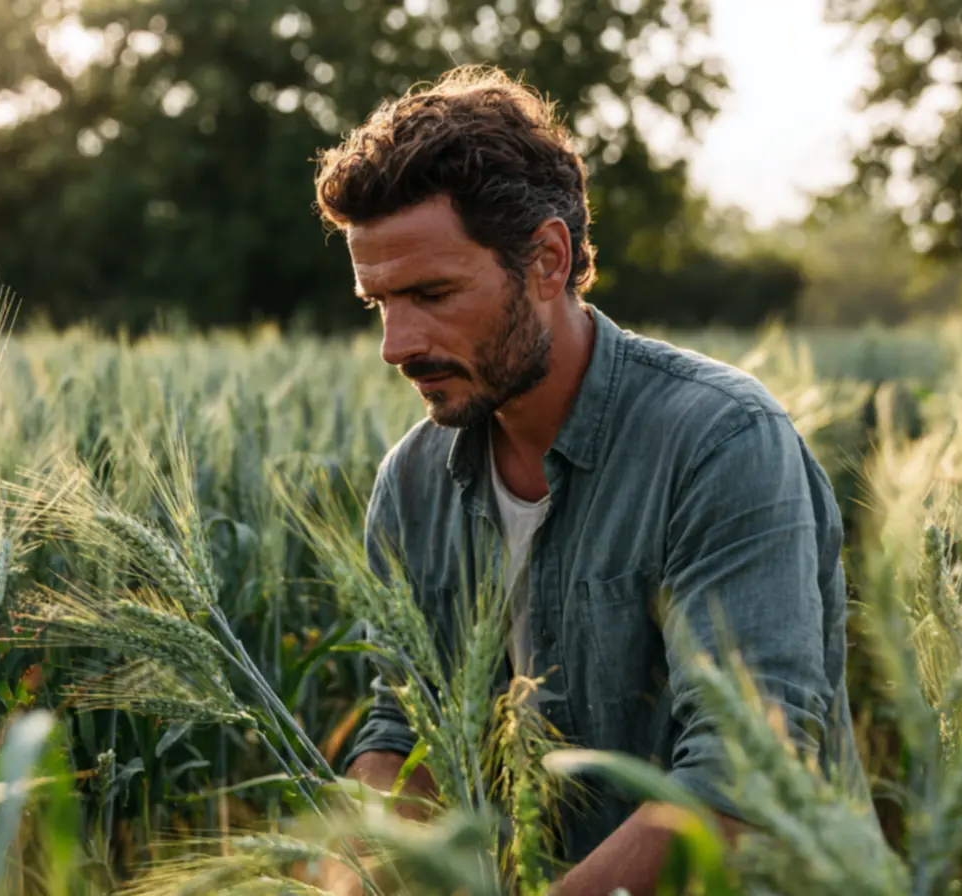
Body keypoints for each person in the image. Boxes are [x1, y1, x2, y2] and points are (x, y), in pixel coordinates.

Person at [309, 65, 866, 895]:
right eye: (377, 303)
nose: (396, 343)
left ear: (547, 259)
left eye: (431, 293)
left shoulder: (720, 442)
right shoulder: (414, 481)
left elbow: (744, 777)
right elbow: (409, 731)